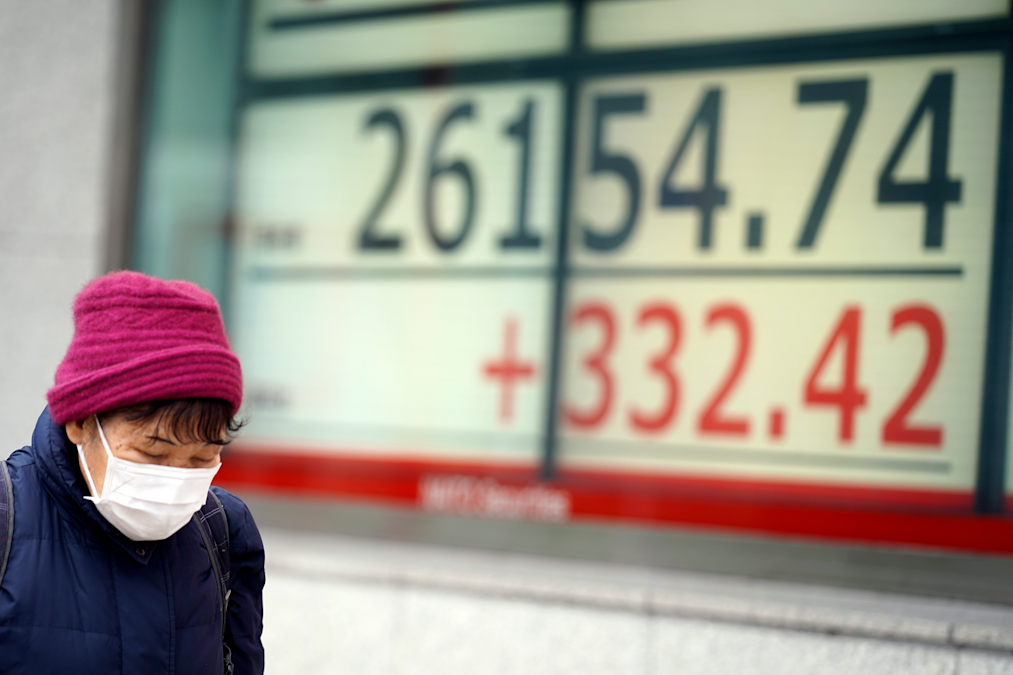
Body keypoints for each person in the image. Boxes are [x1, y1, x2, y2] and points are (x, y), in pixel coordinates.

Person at [0, 271, 265, 674]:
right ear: (80, 422)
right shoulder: (8, 519)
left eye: (201, 458)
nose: (176, 480)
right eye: (153, 453)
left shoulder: (224, 528)